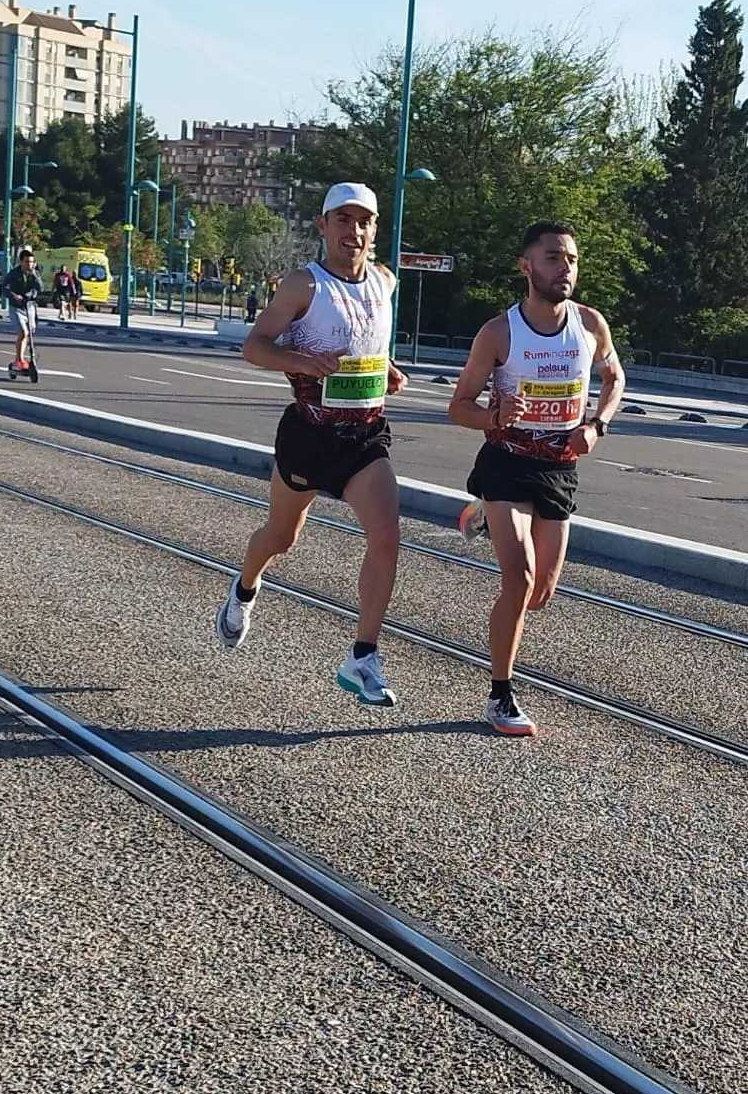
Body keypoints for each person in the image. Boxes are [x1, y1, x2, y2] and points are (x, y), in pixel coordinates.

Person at [214, 183, 408, 707]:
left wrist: (384, 371)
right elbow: (255, 346)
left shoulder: (385, 283)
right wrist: (302, 363)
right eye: (343, 220)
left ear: (374, 230)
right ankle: (245, 588)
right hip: (309, 433)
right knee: (280, 538)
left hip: (365, 435)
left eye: (364, 221)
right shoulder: (305, 285)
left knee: (388, 534)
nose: (354, 231)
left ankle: (362, 656)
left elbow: (369, 343)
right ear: (323, 227)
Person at [448, 222, 625, 737]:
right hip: (506, 462)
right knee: (519, 578)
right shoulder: (499, 333)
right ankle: (500, 694)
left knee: (540, 593)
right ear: (526, 267)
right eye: (552, 258)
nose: (563, 267)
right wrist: (493, 416)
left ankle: (480, 516)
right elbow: (458, 407)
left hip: (558, 467)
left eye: (570, 258)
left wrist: (597, 424)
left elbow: (615, 379)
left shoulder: (591, 326)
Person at [0, 246, 45, 377]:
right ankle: (19, 359)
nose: (29, 264)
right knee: (23, 332)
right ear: (21, 262)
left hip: (30, 306)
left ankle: (24, 359)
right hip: (16, 307)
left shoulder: (35, 274)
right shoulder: (13, 274)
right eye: (27, 261)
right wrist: (14, 296)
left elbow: (40, 288)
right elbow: (3, 289)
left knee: (29, 333)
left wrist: (35, 275)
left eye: (31, 262)